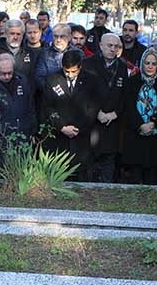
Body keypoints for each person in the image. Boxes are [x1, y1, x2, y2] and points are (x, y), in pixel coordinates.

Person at [40, 50, 100, 181]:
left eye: (74, 71)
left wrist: (79, 128)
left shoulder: (91, 80)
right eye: (67, 71)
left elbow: (93, 108)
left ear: (80, 67)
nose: (70, 75)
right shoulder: (52, 79)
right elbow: (48, 107)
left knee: (81, 172)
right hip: (59, 136)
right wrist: (61, 127)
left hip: (81, 136)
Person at [121, 47, 157, 185]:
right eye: (147, 63)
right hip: (135, 133)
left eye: (153, 64)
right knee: (135, 176)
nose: (150, 66)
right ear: (142, 63)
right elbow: (128, 106)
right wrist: (140, 125)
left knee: (153, 178)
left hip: (156, 136)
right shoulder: (132, 81)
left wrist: (153, 123)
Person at [83, 33, 127, 182]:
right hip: (92, 121)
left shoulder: (121, 66)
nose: (113, 49)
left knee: (109, 161)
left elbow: (123, 94)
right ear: (101, 45)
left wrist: (115, 113)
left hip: (112, 121)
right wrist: (96, 112)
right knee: (90, 160)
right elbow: (83, 93)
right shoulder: (88, 63)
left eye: (116, 46)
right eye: (110, 45)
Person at [0, 53, 37, 165]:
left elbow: (30, 107)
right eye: (3, 73)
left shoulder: (23, 80)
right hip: (1, 140)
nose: (6, 76)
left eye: (9, 73)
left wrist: (33, 131)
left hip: (23, 137)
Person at [34, 23, 77, 91]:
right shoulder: (44, 54)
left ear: (69, 37)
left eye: (62, 36)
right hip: (50, 95)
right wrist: (53, 92)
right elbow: (39, 78)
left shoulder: (78, 53)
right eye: (56, 36)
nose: (58, 40)